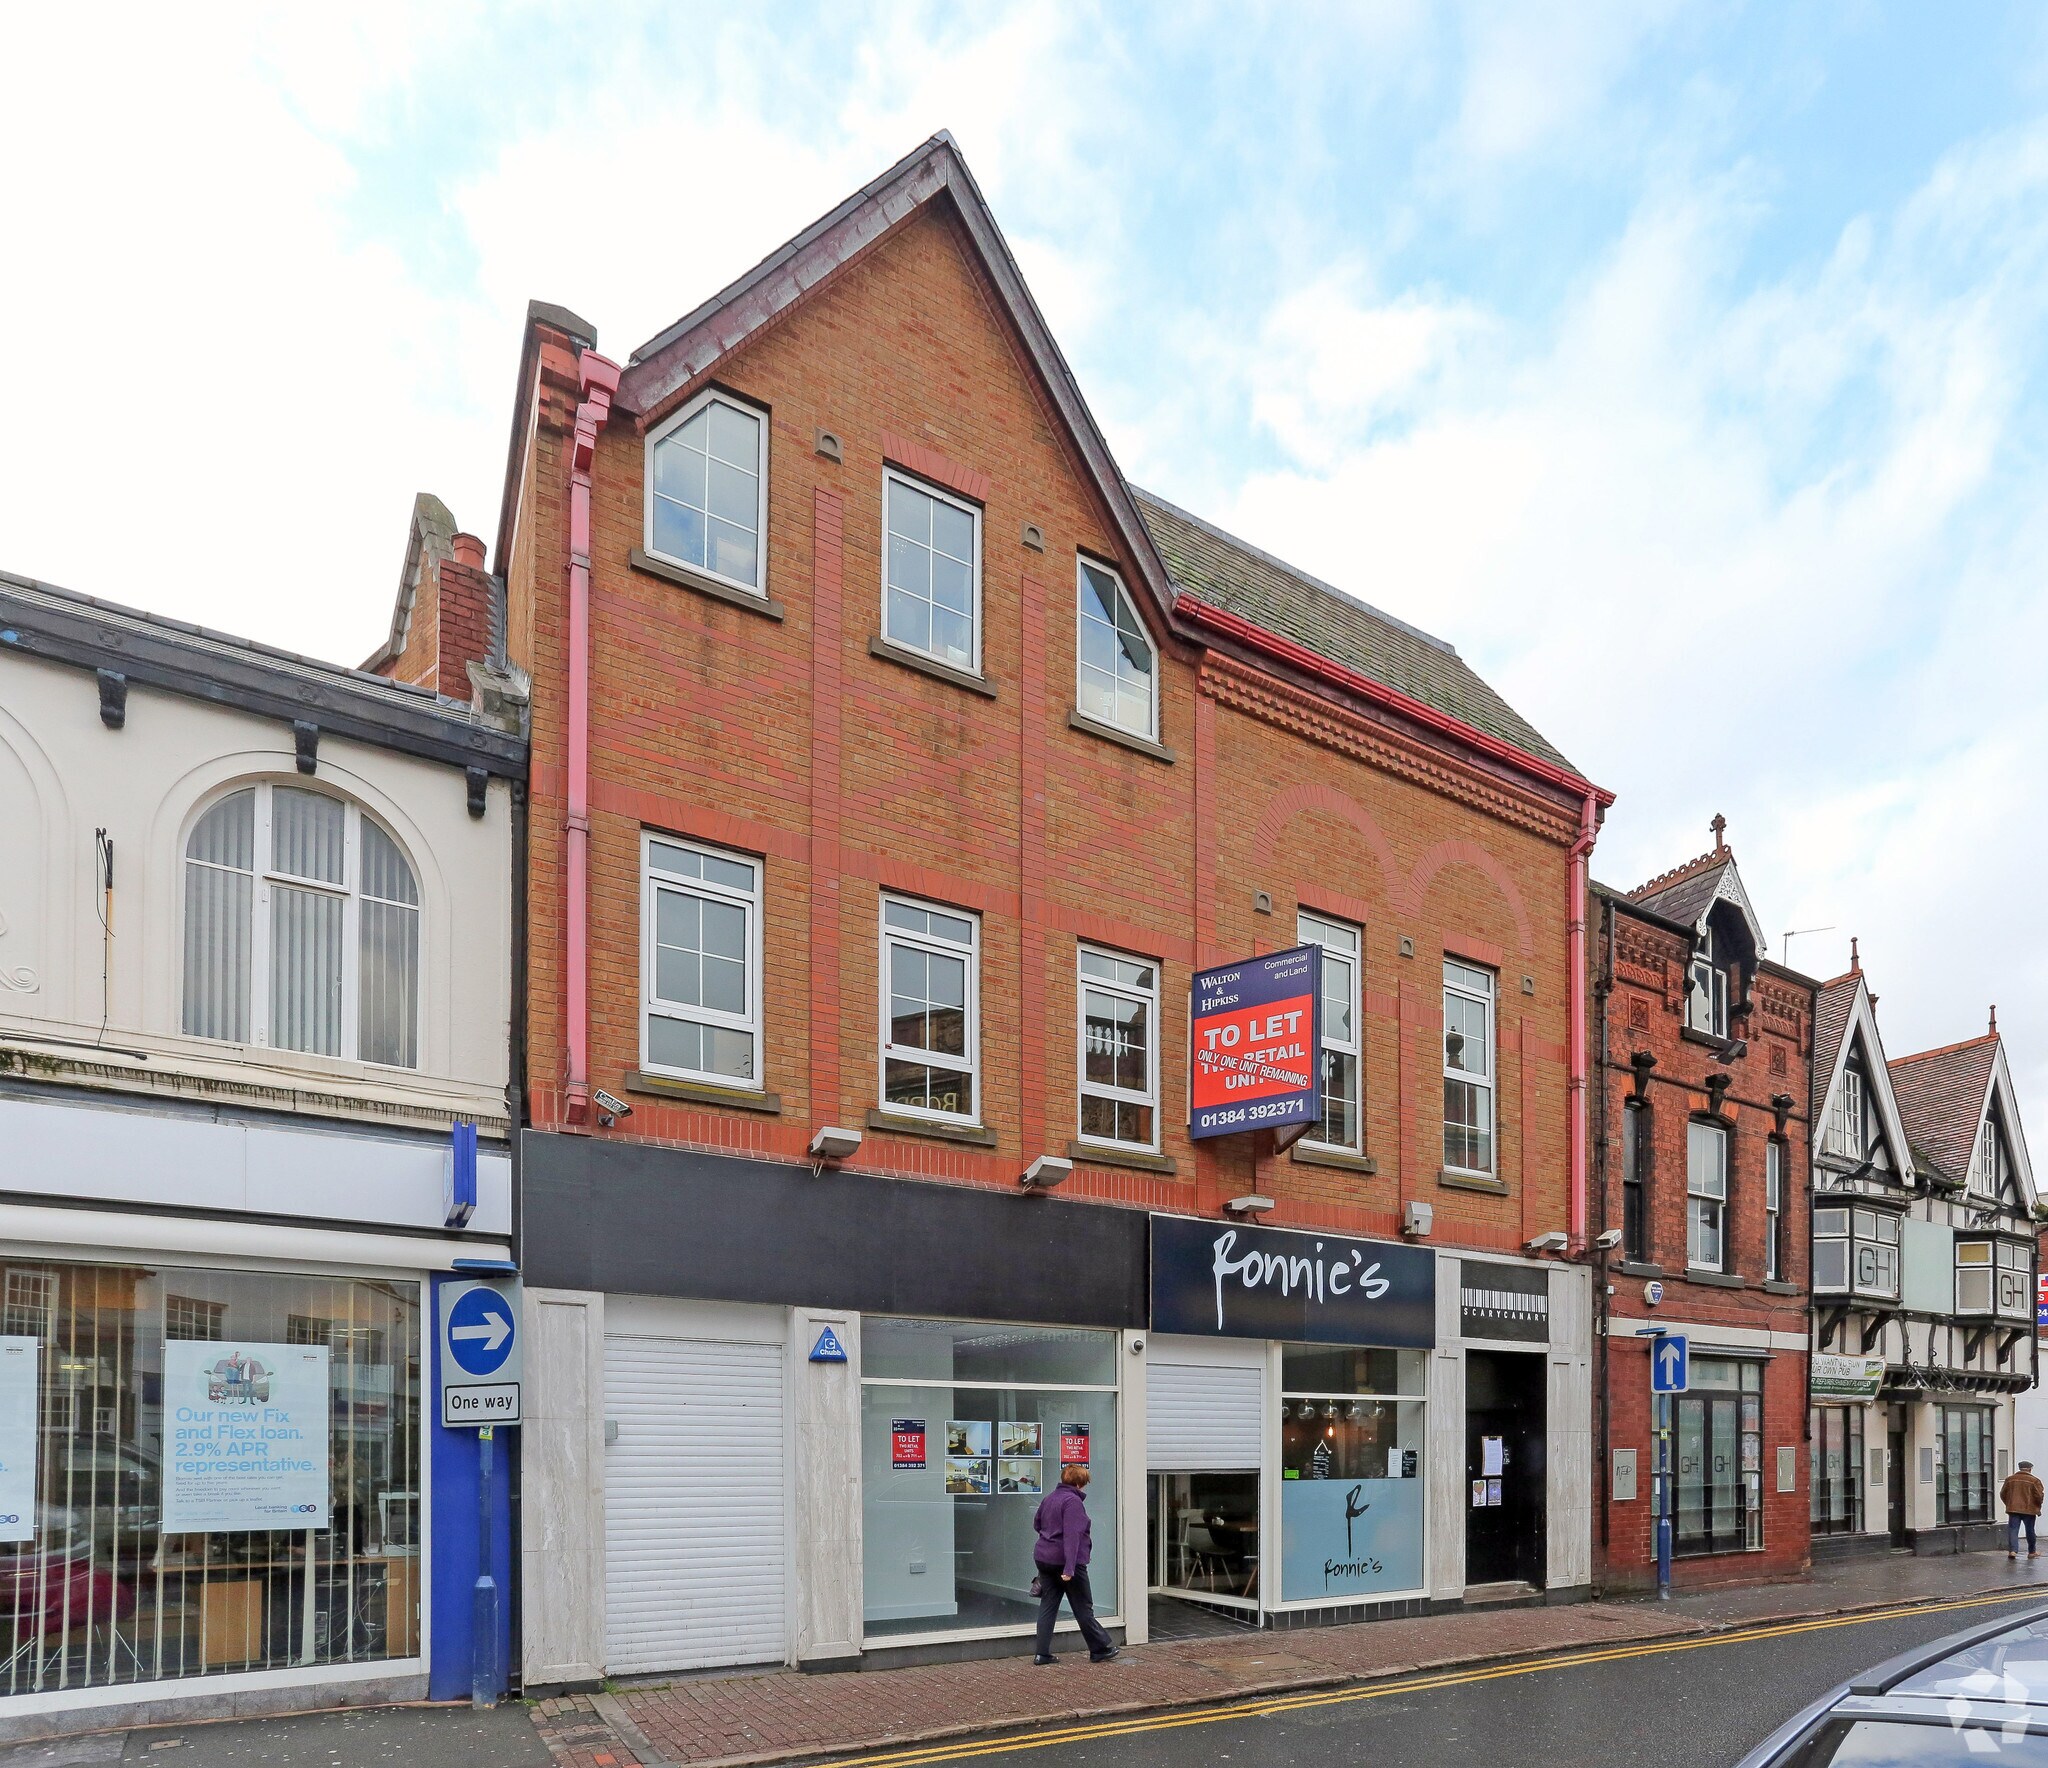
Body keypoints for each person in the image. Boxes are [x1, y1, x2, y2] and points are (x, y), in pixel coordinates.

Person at [1031, 1463, 1118, 1665]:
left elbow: (1037, 1524)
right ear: (1079, 1483)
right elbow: (1072, 1537)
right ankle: (1099, 1649)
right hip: (1067, 1564)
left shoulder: (1049, 1498)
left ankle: (1041, 1654)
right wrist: (1069, 1568)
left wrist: (1049, 1541)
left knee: (1048, 1605)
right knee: (1083, 1606)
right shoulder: (1072, 1502)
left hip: (1044, 1559)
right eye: (1084, 1483)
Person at [2002, 1459, 2044, 1560]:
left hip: (2013, 1509)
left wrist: (2009, 1504)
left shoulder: (2010, 1479)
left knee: (2013, 1530)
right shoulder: (2035, 1481)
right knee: (2030, 1530)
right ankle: (2032, 1552)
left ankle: (2012, 1551)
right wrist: (2038, 1506)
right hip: (2029, 1510)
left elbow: (2003, 1493)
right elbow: (2039, 1496)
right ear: (2030, 1469)